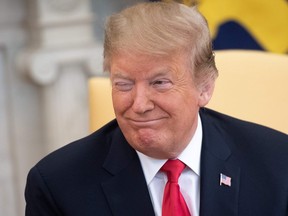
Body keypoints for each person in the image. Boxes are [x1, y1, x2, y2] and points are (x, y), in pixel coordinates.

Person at [25, 2, 288, 216]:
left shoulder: (277, 163)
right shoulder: (57, 185)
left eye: (159, 83)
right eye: (124, 84)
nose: (139, 105)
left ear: (205, 88)